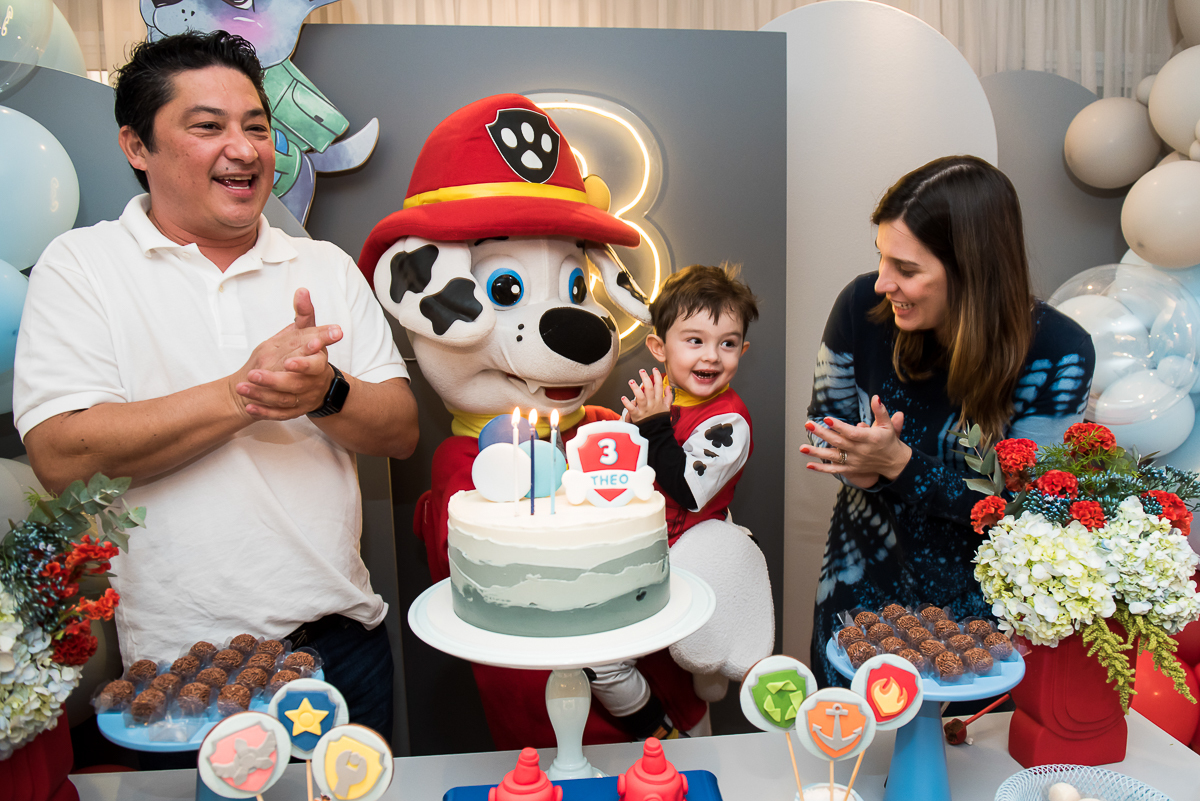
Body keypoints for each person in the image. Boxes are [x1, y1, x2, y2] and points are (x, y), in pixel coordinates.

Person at [13, 31, 418, 740]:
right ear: (137, 146)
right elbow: (62, 456)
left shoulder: (320, 265)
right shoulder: (82, 266)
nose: (245, 148)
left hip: (340, 643)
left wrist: (325, 392)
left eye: (256, 127)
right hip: (175, 669)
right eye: (208, 127)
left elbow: (400, 429)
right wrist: (244, 393)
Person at [801, 156, 1095, 688]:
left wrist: (900, 465)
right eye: (882, 259)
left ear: (972, 272)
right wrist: (859, 468)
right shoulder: (861, 312)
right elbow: (825, 430)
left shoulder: (1057, 352)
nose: (883, 283)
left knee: (965, 764)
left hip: (980, 627)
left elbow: (1032, 514)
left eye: (908, 270)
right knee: (850, 759)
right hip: (860, 595)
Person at [592, 263, 759, 736]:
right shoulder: (659, 399)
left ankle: (687, 706)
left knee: (607, 662)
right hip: (649, 551)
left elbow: (686, 488)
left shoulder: (730, 422)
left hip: (686, 558)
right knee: (602, 662)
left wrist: (652, 426)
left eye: (727, 343)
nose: (712, 355)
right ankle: (668, 718)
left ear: (742, 350)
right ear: (658, 348)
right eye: (695, 340)